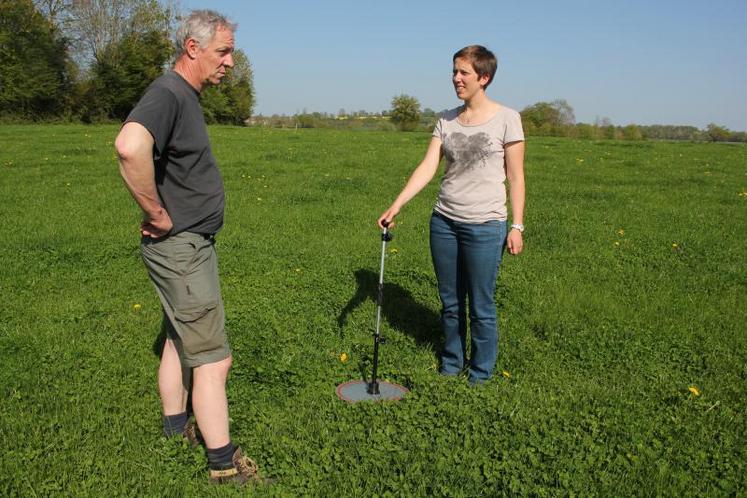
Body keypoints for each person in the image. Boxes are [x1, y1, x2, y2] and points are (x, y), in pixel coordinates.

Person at [115, 10, 267, 485]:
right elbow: (129, 145)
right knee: (215, 359)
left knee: (179, 340)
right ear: (193, 47)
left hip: (186, 245)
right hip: (181, 247)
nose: (229, 63)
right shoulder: (168, 92)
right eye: (223, 52)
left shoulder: (182, 94)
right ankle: (223, 465)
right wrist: (157, 213)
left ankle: (175, 429)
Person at [378, 45, 525, 385]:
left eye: (464, 73)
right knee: (450, 301)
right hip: (444, 221)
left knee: (482, 304)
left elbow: (516, 176)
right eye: (454, 71)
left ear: (484, 78)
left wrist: (516, 225)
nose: (456, 78)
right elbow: (429, 166)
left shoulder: (507, 119)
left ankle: (481, 371)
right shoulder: (446, 119)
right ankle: (451, 362)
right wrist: (397, 204)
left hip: (486, 225)